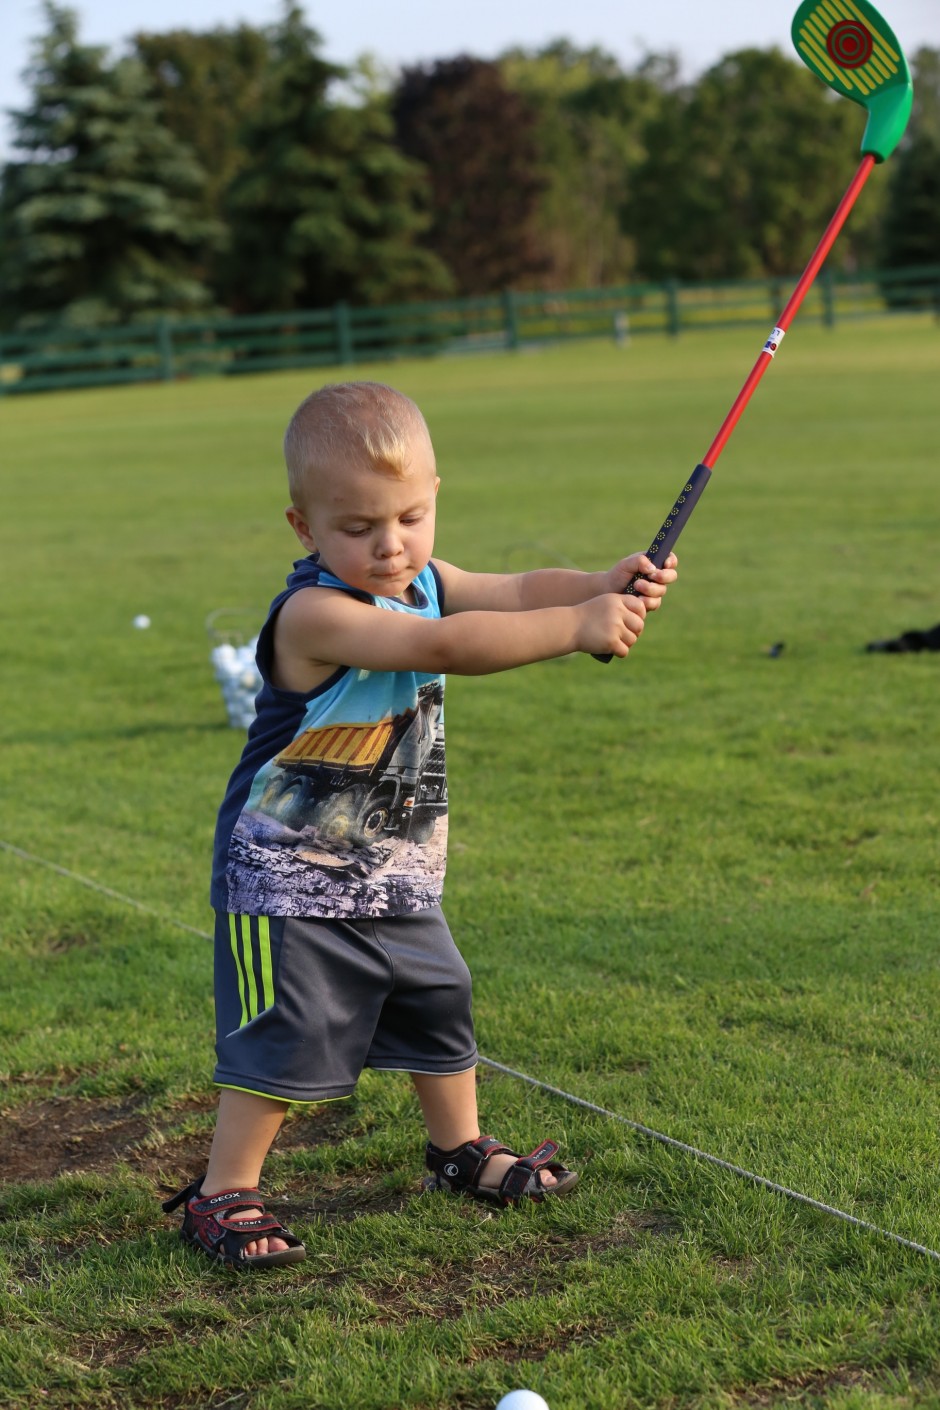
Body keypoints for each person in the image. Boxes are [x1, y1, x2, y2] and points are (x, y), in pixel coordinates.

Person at [163, 380, 678, 1268]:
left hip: (393, 867)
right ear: (304, 529)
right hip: (287, 877)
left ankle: (458, 1150)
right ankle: (223, 1193)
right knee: (284, 1035)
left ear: (434, 498)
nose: (391, 545)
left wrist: (600, 582)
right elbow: (440, 647)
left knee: (440, 1000)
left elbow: (515, 588)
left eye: (410, 518)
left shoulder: (426, 580)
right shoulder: (315, 614)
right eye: (358, 528)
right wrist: (578, 628)